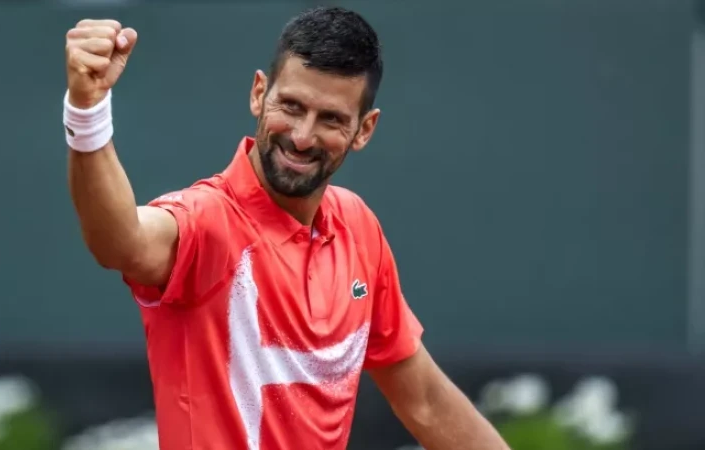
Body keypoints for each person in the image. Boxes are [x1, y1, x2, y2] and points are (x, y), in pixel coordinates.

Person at [63, 7, 509, 450]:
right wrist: (87, 113)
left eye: (331, 119)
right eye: (291, 107)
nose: (302, 136)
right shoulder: (207, 220)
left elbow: (426, 401)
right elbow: (121, 242)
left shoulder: (358, 227)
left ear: (364, 129)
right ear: (259, 93)